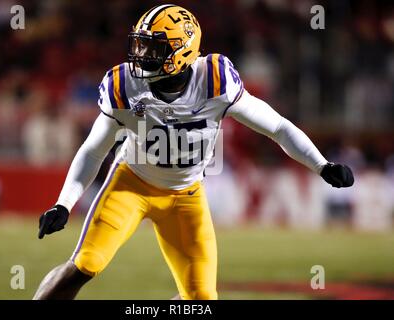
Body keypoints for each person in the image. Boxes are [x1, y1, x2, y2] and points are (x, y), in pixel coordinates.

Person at [33, 4, 354, 300]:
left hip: (185, 196)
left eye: (152, 47)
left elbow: (277, 127)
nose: (140, 54)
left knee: (200, 299)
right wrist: (64, 203)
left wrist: (321, 165)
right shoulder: (125, 85)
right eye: (140, 44)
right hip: (130, 185)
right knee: (86, 264)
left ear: (181, 52)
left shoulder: (215, 81)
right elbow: (93, 149)